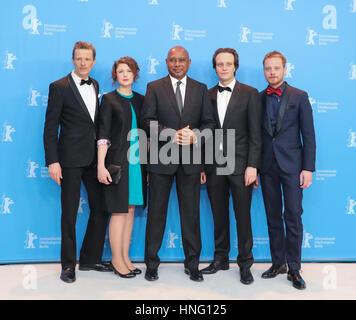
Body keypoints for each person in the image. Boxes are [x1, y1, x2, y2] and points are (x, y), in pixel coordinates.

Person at [143, 46, 216, 282]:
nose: (177, 64)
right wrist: (171, 134)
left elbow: (209, 124)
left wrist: (195, 135)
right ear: (166, 62)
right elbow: (147, 122)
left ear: (189, 62)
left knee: (191, 215)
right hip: (160, 162)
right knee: (156, 214)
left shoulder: (201, 89)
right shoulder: (154, 87)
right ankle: (151, 264)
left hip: (191, 162)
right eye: (173, 60)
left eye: (181, 60)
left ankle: (192, 264)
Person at [43, 41, 110, 283]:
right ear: (73, 60)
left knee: (101, 208)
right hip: (69, 160)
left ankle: (90, 259)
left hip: (94, 159)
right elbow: (50, 127)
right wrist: (53, 161)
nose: (83, 63)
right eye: (79, 58)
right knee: (69, 214)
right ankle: (68, 265)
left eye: (87, 59)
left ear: (93, 61)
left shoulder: (95, 84)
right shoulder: (59, 87)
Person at [254, 51, 316, 290]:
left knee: (292, 216)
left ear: (284, 69)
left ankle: (295, 268)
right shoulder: (258, 98)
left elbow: (308, 135)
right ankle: (277, 262)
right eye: (268, 68)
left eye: (276, 68)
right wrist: (256, 168)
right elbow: (256, 137)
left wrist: (308, 168)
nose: (272, 72)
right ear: (264, 71)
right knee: (272, 217)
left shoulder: (299, 96)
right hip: (267, 167)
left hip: (292, 167)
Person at [200, 48, 262, 285]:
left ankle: (245, 263)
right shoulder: (207, 94)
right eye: (219, 64)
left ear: (235, 66)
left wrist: (253, 166)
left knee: (243, 216)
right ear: (214, 67)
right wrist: (204, 166)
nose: (223, 67)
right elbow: (205, 133)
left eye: (228, 64)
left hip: (240, 166)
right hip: (215, 166)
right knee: (219, 214)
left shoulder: (250, 93)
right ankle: (220, 258)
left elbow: (256, 134)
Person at [97, 57, 147, 278]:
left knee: (130, 210)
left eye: (129, 71)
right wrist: (100, 165)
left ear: (135, 74)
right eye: (120, 71)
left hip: (137, 164)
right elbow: (103, 135)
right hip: (117, 163)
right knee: (118, 212)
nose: (125, 74)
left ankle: (125, 257)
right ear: (114, 75)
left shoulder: (142, 100)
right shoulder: (108, 99)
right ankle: (116, 259)